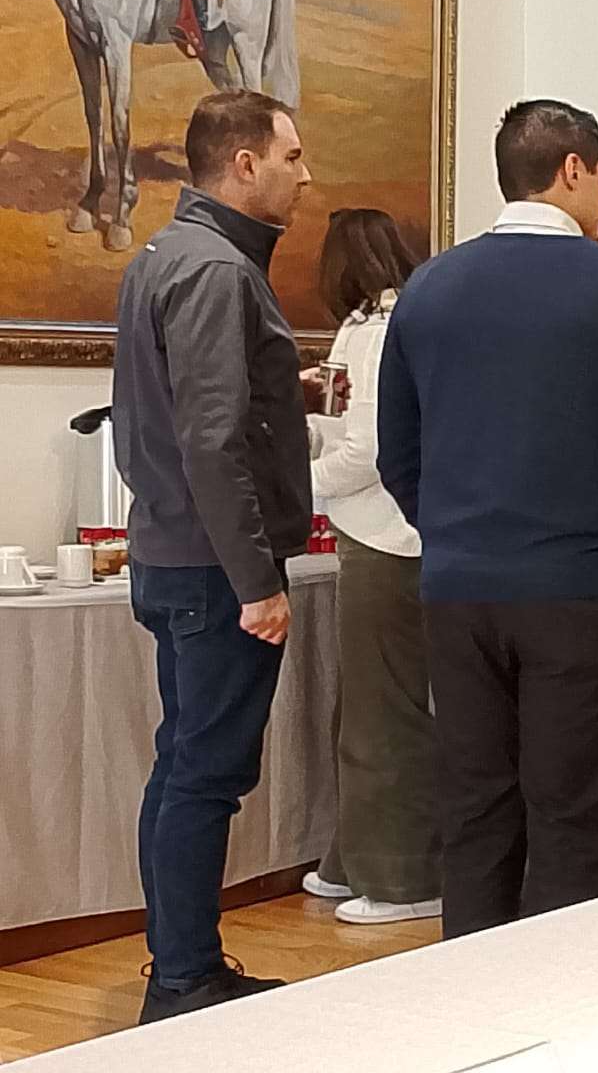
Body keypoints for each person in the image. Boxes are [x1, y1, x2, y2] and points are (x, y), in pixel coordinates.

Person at [377, 99, 598, 939]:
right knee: (573, 816)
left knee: (475, 809)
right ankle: (560, 997)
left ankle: (470, 992)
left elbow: (397, 451)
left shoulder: (427, 288)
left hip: (459, 590)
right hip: (586, 588)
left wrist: (450, 536)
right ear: (573, 170)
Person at [112, 88, 312, 1022]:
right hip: (214, 569)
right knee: (204, 775)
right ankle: (184, 979)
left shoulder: (165, 253)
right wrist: (256, 582)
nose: (303, 176)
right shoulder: (217, 269)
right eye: (291, 157)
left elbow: (179, 415)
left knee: (182, 765)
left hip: (172, 553)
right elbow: (210, 437)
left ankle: (181, 963)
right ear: (244, 164)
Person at [298, 209, 443, 923]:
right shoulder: (377, 324)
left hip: (387, 539)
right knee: (359, 708)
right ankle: (352, 857)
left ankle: (403, 879)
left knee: (384, 715)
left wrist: (296, 484)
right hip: (382, 533)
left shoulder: (377, 331)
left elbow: (369, 452)